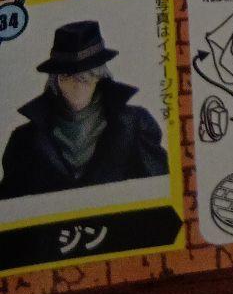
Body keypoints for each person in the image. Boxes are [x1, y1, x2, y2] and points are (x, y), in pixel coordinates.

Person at [0, 20, 168, 200]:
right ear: (55, 80)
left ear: (99, 76)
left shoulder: (134, 125)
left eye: (85, 77)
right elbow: (11, 205)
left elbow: (159, 188)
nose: (77, 86)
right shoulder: (25, 140)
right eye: (67, 76)